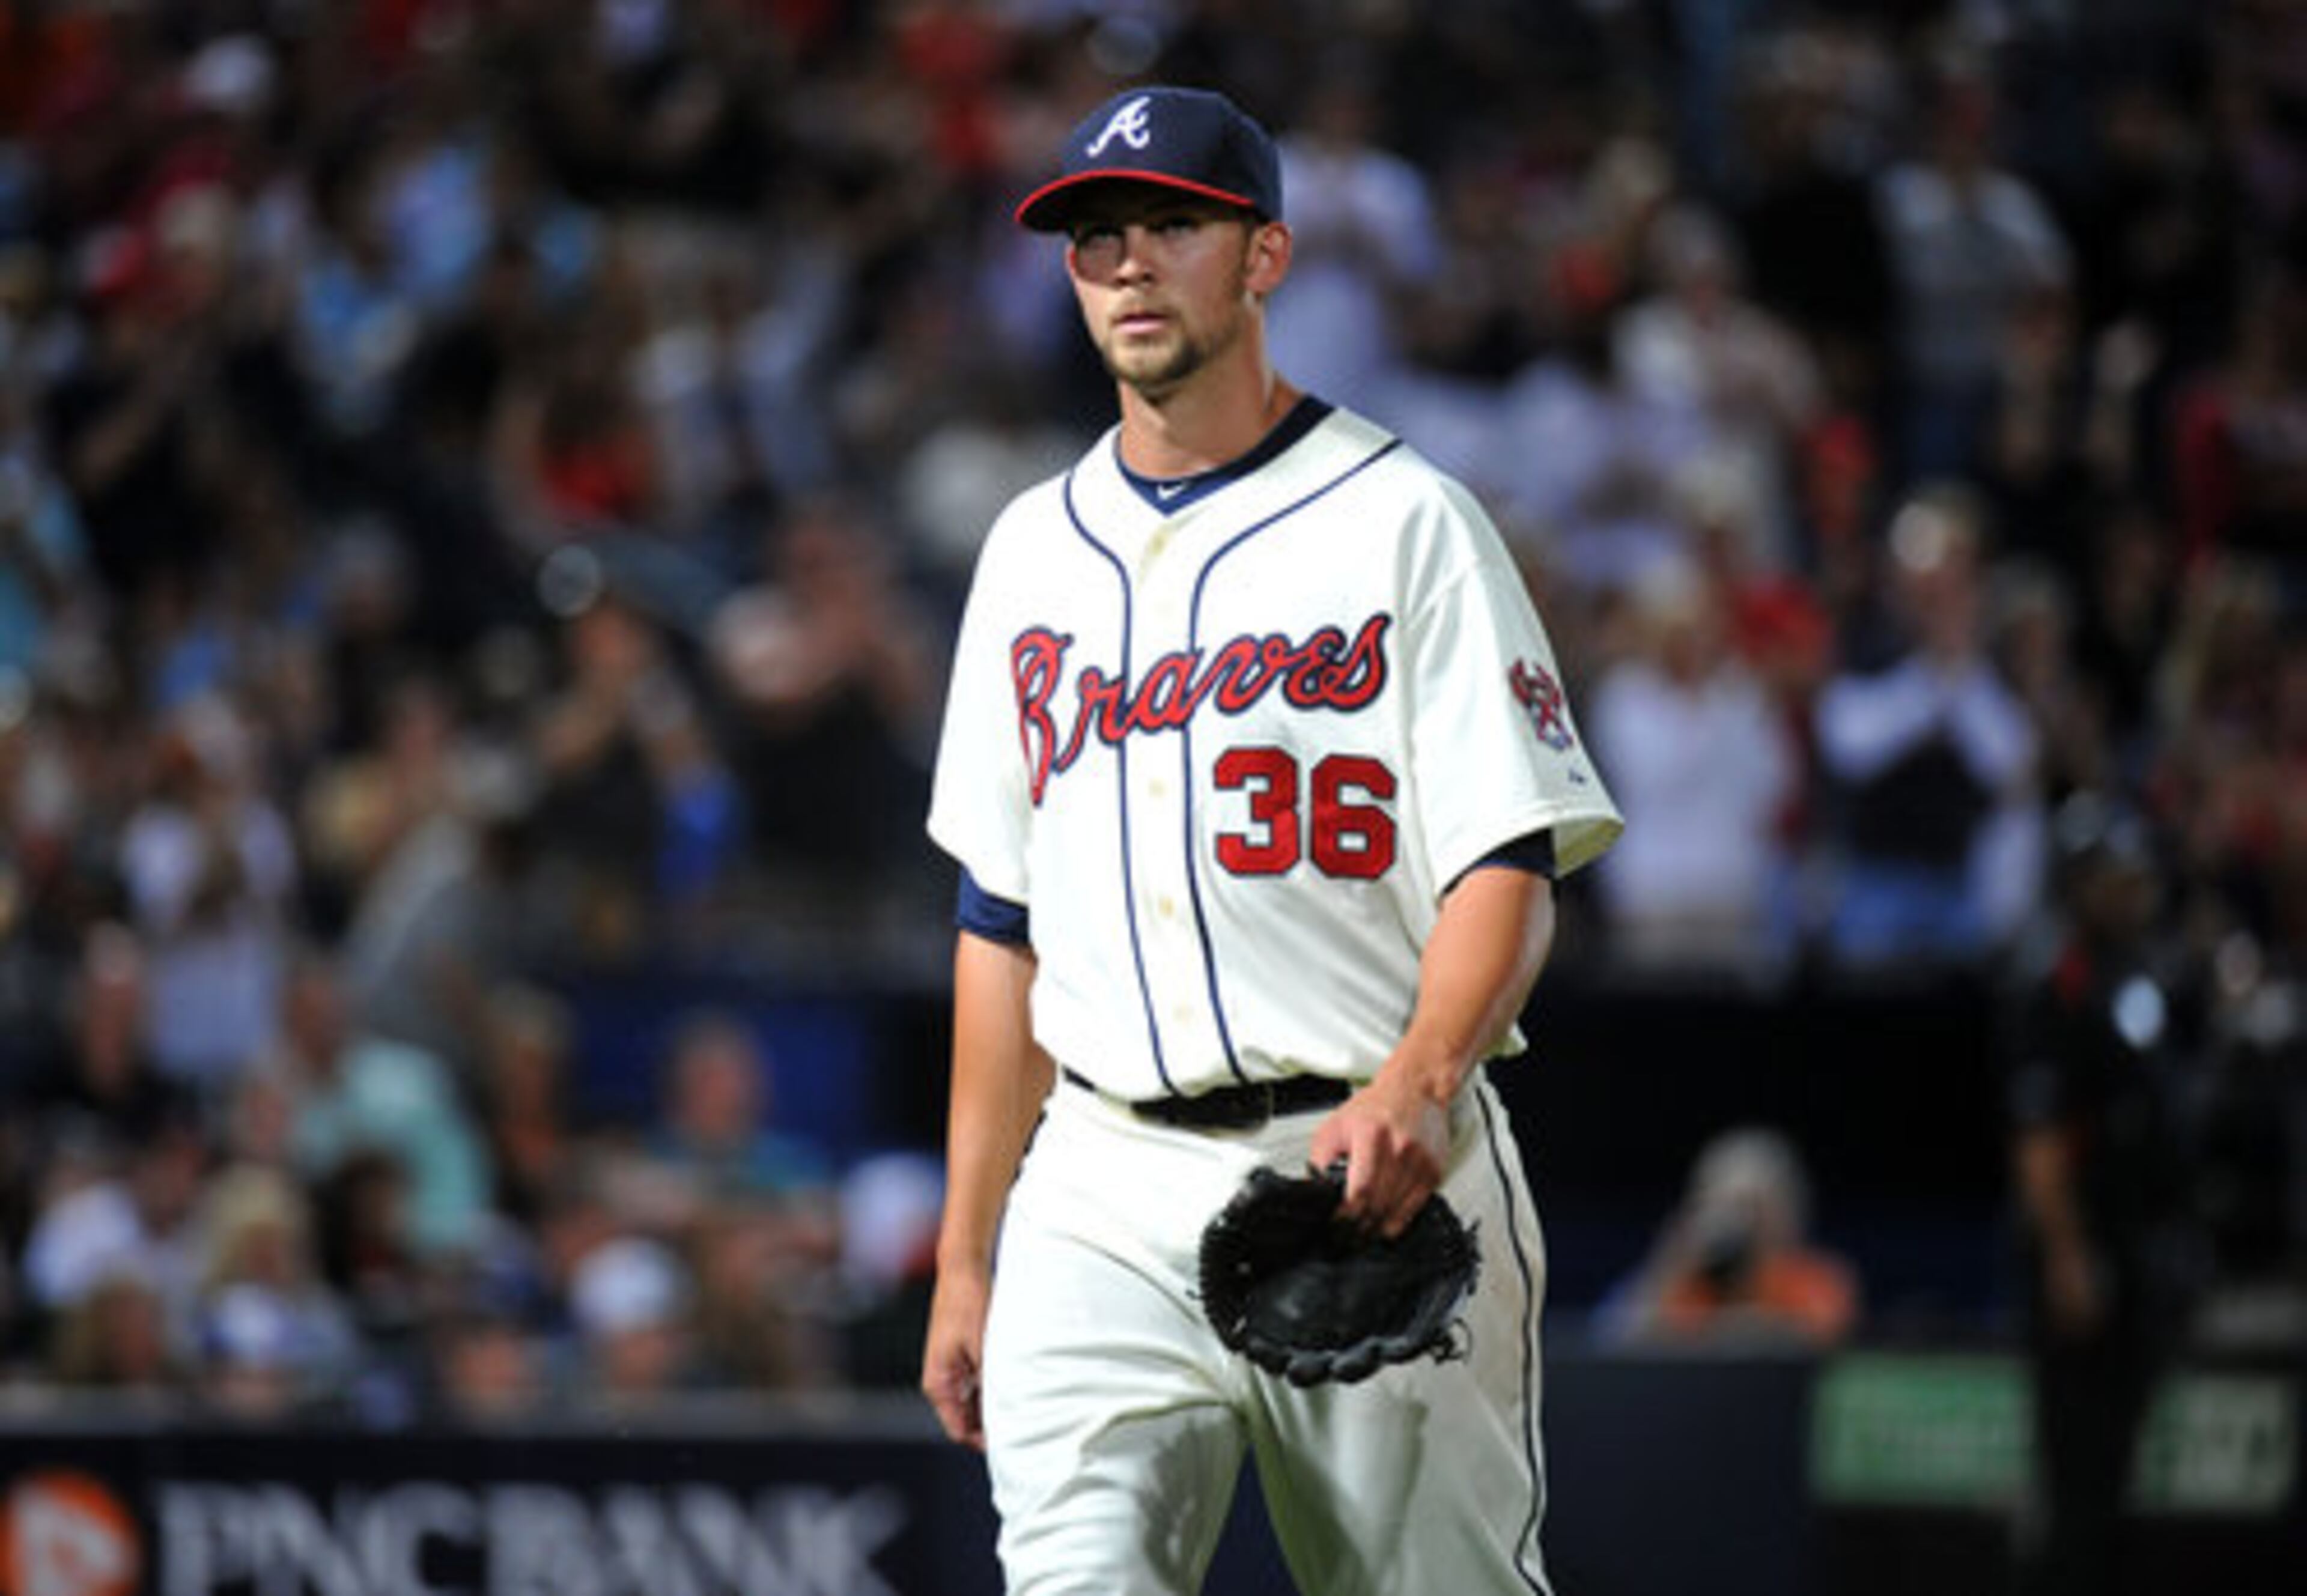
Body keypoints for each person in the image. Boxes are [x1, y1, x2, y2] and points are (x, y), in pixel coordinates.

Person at [919, 86, 1623, 1595]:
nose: (1130, 264)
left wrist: (1423, 1086)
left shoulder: (1406, 521)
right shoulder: (1029, 551)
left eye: (1176, 224)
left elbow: (1509, 862)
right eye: (1098, 237)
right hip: (1097, 1182)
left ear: (1268, 258)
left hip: (1363, 1171)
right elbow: (999, 923)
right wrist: (969, 1251)